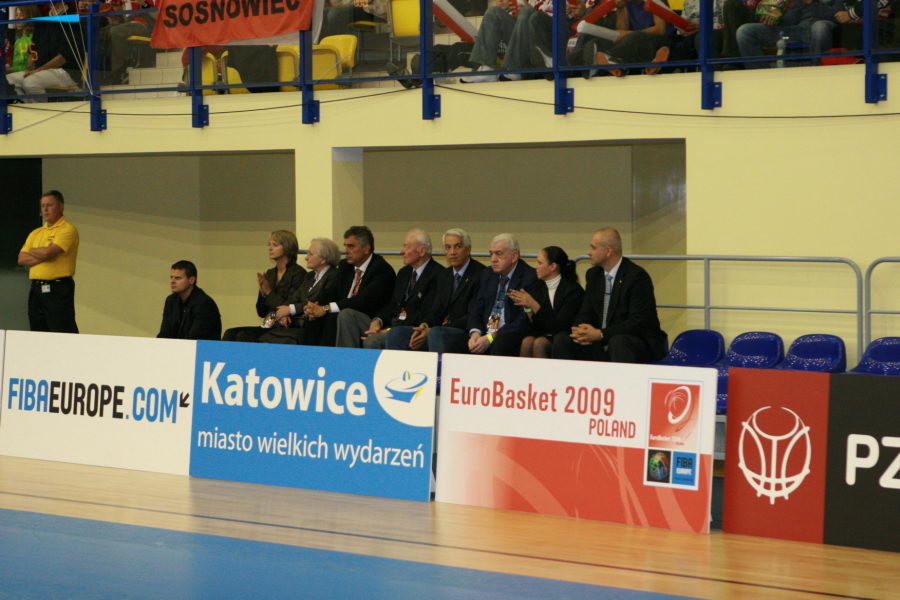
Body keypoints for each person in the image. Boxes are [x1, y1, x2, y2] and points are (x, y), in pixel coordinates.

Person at [552, 228, 667, 363]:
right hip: (602, 339)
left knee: (618, 342)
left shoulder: (637, 277)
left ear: (608, 251)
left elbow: (638, 322)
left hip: (635, 341)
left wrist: (601, 334)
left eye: (593, 248)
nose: (589, 252)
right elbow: (586, 311)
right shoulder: (593, 275)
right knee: (562, 340)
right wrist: (581, 330)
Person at [430, 233, 537, 356]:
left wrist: (491, 337)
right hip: (485, 333)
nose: (493, 259)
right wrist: (475, 333)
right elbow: (476, 309)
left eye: (498, 253)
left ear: (514, 256)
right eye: (491, 254)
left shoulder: (529, 277)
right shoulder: (488, 274)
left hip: (507, 334)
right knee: (443, 335)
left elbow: (522, 321)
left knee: (500, 342)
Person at [386, 227, 486, 351]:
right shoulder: (444, 275)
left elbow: (473, 315)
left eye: (458, 246)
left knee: (436, 333)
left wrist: (436, 329)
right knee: (397, 333)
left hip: (466, 332)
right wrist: (425, 326)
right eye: (448, 247)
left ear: (468, 249)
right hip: (439, 331)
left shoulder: (481, 274)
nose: (452, 252)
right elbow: (436, 310)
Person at [302, 225, 395, 347]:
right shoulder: (345, 266)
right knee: (313, 317)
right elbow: (331, 291)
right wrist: (313, 305)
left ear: (366, 248)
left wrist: (325, 308)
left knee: (339, 314)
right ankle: (308, 356)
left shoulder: (382, 269)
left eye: (351, 246)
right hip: (344, 312)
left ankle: (337, 358)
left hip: (369, 319)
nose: (346, 251)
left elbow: (362, 300)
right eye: (345, 246)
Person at [360, 229, 443, 349]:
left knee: (372, 341)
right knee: (355, 322)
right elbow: (393, 304)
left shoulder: (438, 275)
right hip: (394, 326)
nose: (401, 251)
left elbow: (427, 314)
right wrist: (378, 321)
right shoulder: (404, 273)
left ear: (421, 251)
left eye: (406, 247)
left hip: (414, 331)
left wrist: (389, 331)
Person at [222, 230, 306, 343]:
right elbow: (261, 311)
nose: (270, 248)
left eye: (275, 245)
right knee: (230, 333)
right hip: (269, 322)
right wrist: (263, 293)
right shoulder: (270, 274)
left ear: (287, 247)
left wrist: (269, 292)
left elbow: (288, 306)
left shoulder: (298, 273)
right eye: (269, 245)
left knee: (244, 336)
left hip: (287, 326)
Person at [17, 190, 80, 334]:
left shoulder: (67, 229)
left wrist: (34, 251)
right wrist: (43, 253)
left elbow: (49, 253)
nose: (45, 209)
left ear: (61, 206)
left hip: (58, 288)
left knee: (61, 330)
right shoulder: (36, 233)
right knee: (38, 330)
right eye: (43, 206)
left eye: (50, 205)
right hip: (36, 288)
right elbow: (21, 258)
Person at [261, 237, 342, 345]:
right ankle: (263, 329)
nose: (306, 258)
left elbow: (318, 301)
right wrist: (284, 312)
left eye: (310, 254)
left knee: (269, 335)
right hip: (294, 321)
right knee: (246, 332)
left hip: (313, 324)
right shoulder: (310, 276)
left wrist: (290, 309)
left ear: (323, 259)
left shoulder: (335, 276)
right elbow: (293, 299)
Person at [509, 245, 584, 358]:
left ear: (552, 266)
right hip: (546, 333)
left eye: (540, 263)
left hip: (565, 337)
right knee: (527, 342)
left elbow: (559, 326)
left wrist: (533, 303)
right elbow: (537, 325)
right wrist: (528, 307)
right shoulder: (539, 287)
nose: (536, 267)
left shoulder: (572, 291)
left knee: (539, 343)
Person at [5, 2, 81, 100]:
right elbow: (33, 51)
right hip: (40, 70)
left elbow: (63, 57)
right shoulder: (43, 21)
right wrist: (30, 67)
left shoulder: (72, 19)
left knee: (30, 82)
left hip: (66, 71)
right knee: (8, 80)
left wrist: (37, 70)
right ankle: (28, 106)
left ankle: (40, 108)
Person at [736, 0, 837, 68]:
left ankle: (818, 73)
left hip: (816, 26)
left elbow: (837, 14)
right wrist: (771, 16)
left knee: (820, 28)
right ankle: (761, 76)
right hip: (787, 29)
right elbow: (781, 16)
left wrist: (812, 2)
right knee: (745, 31)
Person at [157, 260, 222, 340]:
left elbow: (195, 337)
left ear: (191, 280)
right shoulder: (171, 301)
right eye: (171, 277)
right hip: (179, 346)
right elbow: (164, 334)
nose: (172, 281)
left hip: (200, 347)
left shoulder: (204, 303)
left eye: (178, 278)